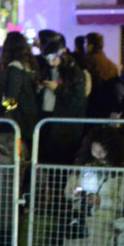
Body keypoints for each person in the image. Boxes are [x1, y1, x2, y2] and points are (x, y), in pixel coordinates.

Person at [35, 33, 90, 165]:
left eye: (53, 58)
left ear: (62, 54)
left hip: (65, 127)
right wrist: (39, 88)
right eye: (47, 58)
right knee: (47, 163)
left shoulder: (75, 72)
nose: (50, 62)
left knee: (61, 164)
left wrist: (57, 89)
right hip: (47, 120)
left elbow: (77, 101)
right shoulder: (47, 70)